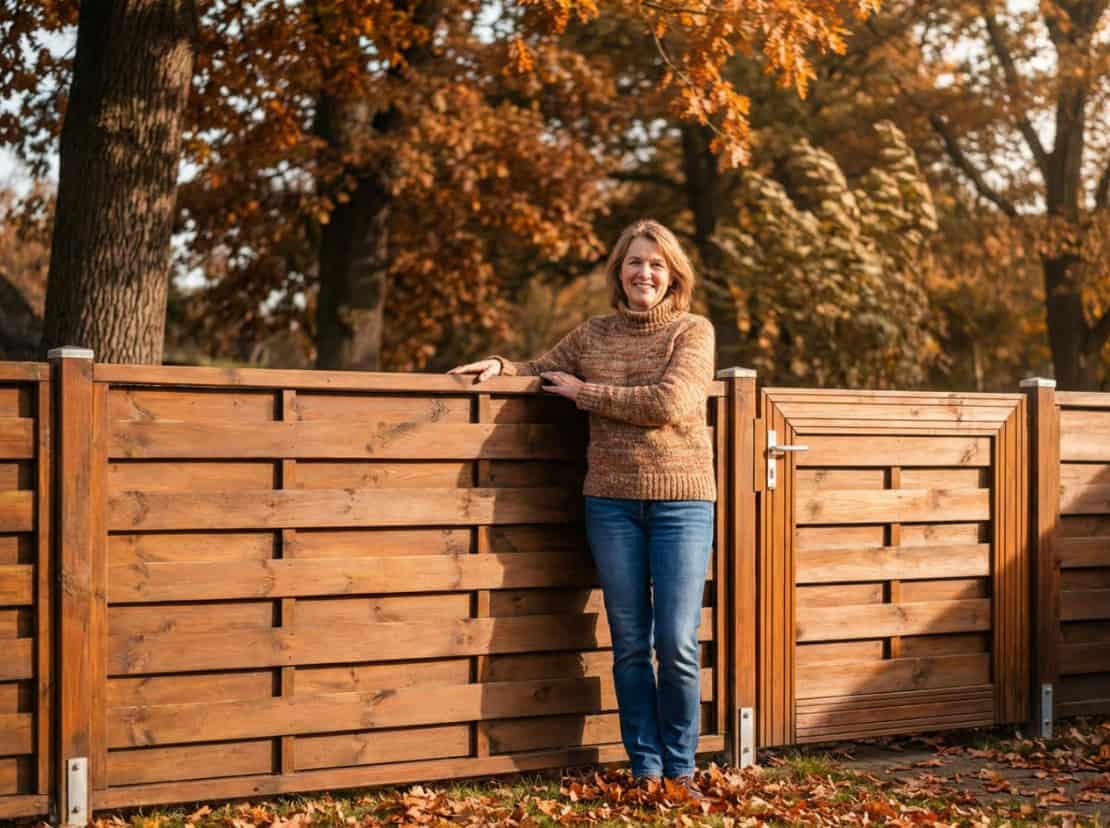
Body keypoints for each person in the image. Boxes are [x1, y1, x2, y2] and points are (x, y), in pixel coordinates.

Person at [448, 219, 716, 797]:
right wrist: (500, 365)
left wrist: (586, 394)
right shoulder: (593, 334)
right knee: (628, 642)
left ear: (673, 275)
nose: (644, 273)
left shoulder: (693, 331)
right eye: (634, 263)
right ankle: (645, 767)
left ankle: (682, 767)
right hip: (611, 503)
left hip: (682, 503)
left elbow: (672, 403)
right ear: (618, 272)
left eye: (655, 264)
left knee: (676, 641)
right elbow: (538, 368)